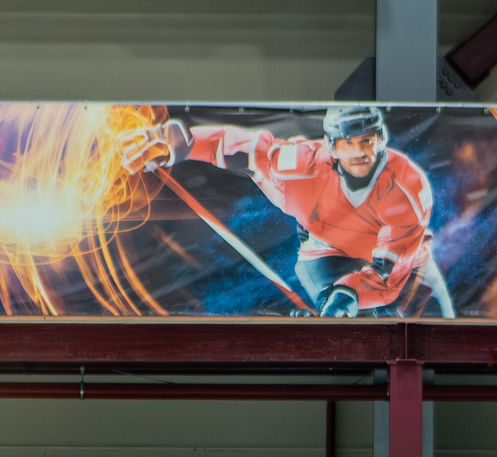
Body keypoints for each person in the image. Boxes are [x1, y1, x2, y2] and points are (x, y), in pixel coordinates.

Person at [120, 104, 454, 318]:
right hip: (326, 250)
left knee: (431, 332)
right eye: (349, 143)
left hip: (404, 268)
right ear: (332, 146)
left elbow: (388, 276)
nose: (360, 152)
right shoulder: (302, 167)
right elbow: (250, 152)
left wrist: (347, 295)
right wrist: (180, 143)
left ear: (380, 139)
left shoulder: (407, 188)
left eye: (367, 140)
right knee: (338, 318)